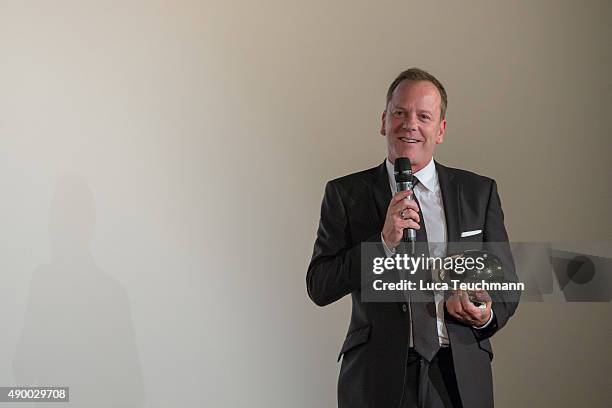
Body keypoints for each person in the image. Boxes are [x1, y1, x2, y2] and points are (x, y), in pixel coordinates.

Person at [307, 68, 519, 408]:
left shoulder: (478, 193)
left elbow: (505, 283)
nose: (410, 124)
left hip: (458, 374)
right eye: (400, 113)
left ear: (441, 130)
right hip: (378, 376)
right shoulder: (346, 194)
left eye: (424, 116)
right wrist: (383, 244)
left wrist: (485, 313)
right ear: (384, 121)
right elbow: (319, 285)